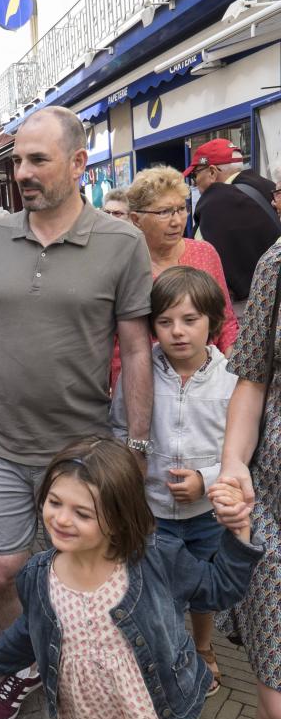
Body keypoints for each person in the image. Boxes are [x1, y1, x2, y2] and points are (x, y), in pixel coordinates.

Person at [0, 105, 154, 719]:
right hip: (2, 441)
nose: (23, 173)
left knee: (82, 570)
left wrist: (136, 445)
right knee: (3, 569)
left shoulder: (122, 243)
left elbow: (138, 347)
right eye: (17, 160)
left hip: (80, 450)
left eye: (38, 159)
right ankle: (30, 664)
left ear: (78, 162)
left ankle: (90, 668)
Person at [0, 437, 262, 719]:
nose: (62, 519)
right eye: (54, 502)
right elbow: (30, 631)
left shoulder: (155, 559)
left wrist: (238, 534)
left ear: (119, 517)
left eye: (82, 513)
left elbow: (219, 587)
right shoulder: (38, 575)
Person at [112, 266, 238, 695]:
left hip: (207, 514)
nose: (177, 332)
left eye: (190, 320)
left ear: (213, 322)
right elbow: (118, 428)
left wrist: (206, 480)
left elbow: (244, 452)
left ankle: (203, 648)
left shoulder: (233, 379)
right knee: (155, 590)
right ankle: (168, 653)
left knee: (203, 587)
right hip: (152, 512)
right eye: (164, 322)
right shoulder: (139, 372)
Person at [209, 237, 281, 719]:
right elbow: (252, 378)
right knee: (279, 707)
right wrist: (234, 462)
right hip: (275, 508)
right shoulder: (279, 262)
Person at [110, 165, 239, 389]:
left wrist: (233, 374)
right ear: (135, 218)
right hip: (148, 382)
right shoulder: (123, 264)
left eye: (181, 209)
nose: (177, 221)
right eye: (163, 212)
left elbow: (225, 320)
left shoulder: (204, 252)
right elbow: (116, 342)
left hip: (207, 381)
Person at [184, 138, 281, 315]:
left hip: (244, 309)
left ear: (212, 172)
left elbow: (200, 264)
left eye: (195, 174)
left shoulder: (213, 201)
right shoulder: (269, 186)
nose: (195, 182)